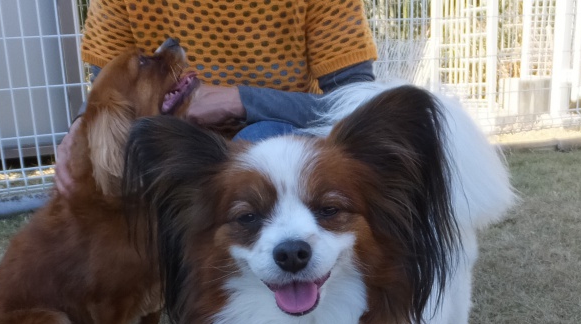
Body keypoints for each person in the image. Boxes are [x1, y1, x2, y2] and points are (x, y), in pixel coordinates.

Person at [55, 0, 378, 195]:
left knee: (257, 145)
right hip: (168, 145)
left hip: (275, 137)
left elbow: (359, 104)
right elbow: (108, 87)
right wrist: (81, 127)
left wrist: (241, 100)